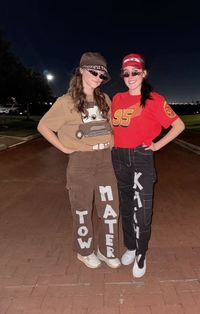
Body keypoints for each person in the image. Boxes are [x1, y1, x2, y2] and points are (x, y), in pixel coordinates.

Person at [37, 52, 121, 269]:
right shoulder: (66, 102)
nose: (97, 78)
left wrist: (113, 140)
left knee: (110, 208)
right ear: (82, 70)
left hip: (105, 161)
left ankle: (106, 249)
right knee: (82, 208)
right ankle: (84, 251)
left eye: (102, 76)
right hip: (81, 163)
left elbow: (113, 126)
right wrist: (64, 148)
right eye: (94, 72)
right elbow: (43, 126)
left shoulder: (105, 99)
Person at [111, 53, 185, 278]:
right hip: (119, 157)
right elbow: (111, 126)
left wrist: (157, 146)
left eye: (135, 72)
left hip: (141, 157)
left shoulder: (154, 99)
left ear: (143, 74)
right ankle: (131, 247)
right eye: (126, 73)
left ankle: (142, 253)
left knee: (142, 210)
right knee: (125, 206)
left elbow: (178, 125)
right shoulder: (117, 99)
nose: (130, 77)